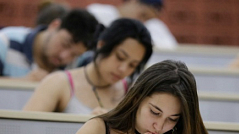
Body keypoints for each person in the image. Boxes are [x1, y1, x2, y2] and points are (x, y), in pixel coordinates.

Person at [56, 60, 239, 134]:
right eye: (155, 112)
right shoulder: (99, 128)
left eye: (172, 119)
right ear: (136, 98)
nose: (159, 127)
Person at [23, 18, 153, 115]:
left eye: (132, 65)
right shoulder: (59, 83)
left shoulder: (131, 94)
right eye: (120, 57)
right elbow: (26, 130)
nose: (123, 69)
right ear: (101, 45)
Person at [0, 9, 98, 82]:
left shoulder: (81, 62)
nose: (65, 56)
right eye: (64, 44)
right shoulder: (7, 40)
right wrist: (22, 82)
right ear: (54, 25)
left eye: (74, 54)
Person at [87, 0, 177, 49]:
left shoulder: (154, 26)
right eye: (143, 15)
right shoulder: (97, 12)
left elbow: (173, 52)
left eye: (148, 19)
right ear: (134, 1)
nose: (143, 21)